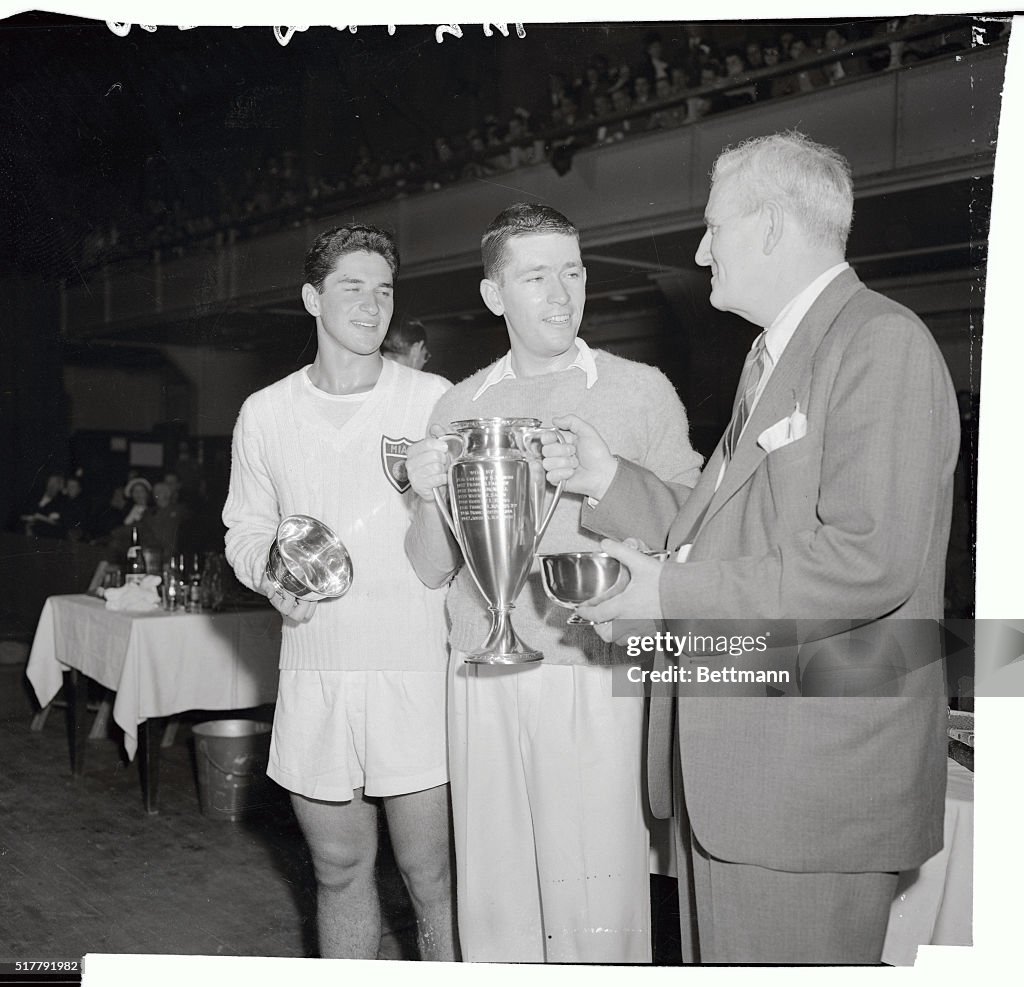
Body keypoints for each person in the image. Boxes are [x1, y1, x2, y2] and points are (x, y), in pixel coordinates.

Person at [546, 132, 958, 964]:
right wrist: (607, 479)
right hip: (743, 774)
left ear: (770, 227)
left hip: (808, 787)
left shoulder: (881, 341)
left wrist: (663, 594)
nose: (700, 251)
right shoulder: (772, 358)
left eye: (712, 227)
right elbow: (717, 533)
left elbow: (870, 561)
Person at [403, 203, 702, 963]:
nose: (561, 294)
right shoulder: (456, 405)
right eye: (535, 277)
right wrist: (432, 494)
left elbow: (695, 533)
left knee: (596, 909)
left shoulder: (641, 391)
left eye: (572, 273)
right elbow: (432, 564)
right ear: (494, 295)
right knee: (495, 904)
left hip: (593, 673)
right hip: (482, 669)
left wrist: (609, 482)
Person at [222, 224, 457, 961]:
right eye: (352, 287)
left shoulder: (431, 398)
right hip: (316, 668)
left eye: (384, 290)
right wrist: (272, 575)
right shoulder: (265, 412)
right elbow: (244, 529)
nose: (371, 303)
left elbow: (448, 556)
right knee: (338, 868)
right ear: (311, 298)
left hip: (413, 666)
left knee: (432, 874)